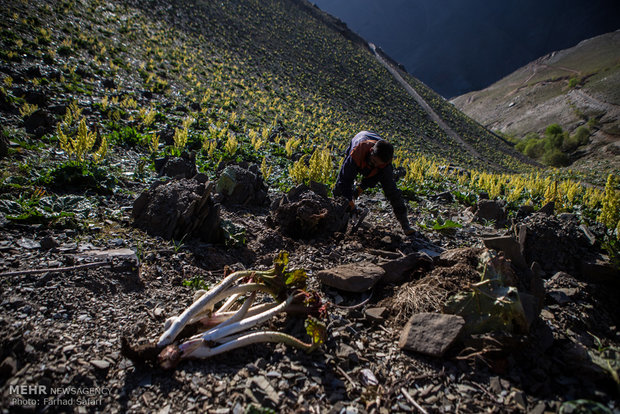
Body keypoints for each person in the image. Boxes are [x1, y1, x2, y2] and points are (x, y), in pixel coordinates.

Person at [333, 130, 415, 235]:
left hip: (376, 161)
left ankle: (405, 224)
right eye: (374, 162)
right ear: (371, 151)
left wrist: (359, 189)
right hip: (359, 141)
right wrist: (351, 203)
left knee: (392, 191)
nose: (376, 165)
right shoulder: (357, 153)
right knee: (340, 189)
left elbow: (377, 180)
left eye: (379, 165)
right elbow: (344, 181)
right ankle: (336, 216)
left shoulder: (385, 165)